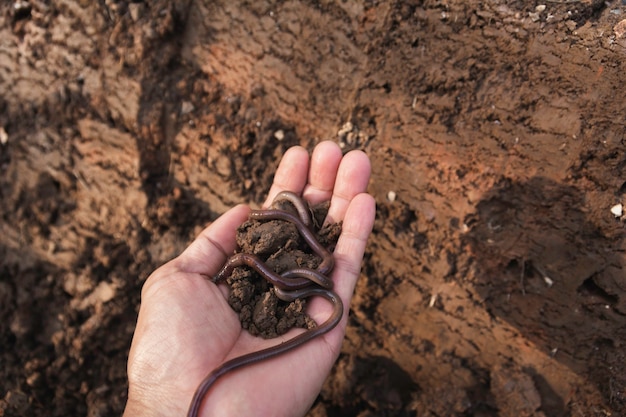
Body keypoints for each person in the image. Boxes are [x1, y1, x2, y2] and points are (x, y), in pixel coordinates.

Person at [123, 141, 376, 416]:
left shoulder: (296, 275)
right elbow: (257, 267)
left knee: (288, 288)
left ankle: (296, 271)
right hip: (299, 277)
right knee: (287, 287)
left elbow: (309, 280)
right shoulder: (272, 275)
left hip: (300, 277)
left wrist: (158, 406)